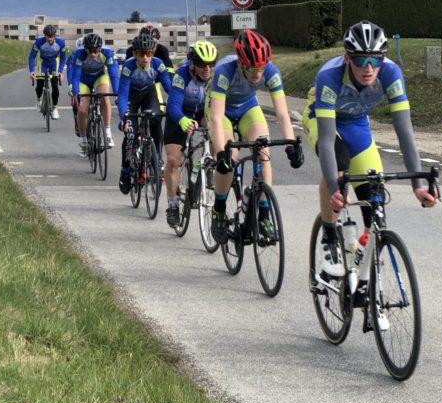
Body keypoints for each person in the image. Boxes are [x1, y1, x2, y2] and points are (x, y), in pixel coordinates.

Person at [303, 20, 438, 278]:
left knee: (373, 191)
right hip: (322, 120)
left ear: (382, 59)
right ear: (347, 58)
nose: (368, 68)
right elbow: (328, 140)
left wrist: (418, 185)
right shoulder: (328, 77)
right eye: (360, 60)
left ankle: (366, 268)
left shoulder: (391, 73)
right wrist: (334, 189)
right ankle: (330, 239)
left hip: (356, 122)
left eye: (375, 60)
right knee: (340, 166)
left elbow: (404, 132)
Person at [209, 29, 303, 243]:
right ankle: (220, 208)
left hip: (247, 107)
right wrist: (222, 151)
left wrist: (291, 144)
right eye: (251, 68)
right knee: (230, 158)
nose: (257, 73)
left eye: (261, 68)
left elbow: (281, 112)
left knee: (263, 151)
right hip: (222, 110)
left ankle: (264, 214)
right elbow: (215, 117)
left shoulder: (271, 71)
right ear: (241, 62)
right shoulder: (225, 70)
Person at [162, 39, 217, 227]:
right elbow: (173, 104)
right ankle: (172, 205)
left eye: (211, 64)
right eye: (202, 64)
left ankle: (205, 168)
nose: (207, 68)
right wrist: (183, 120)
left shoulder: (215, 78)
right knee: (173, 160)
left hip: (202, 113)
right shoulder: (181, 75)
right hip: (179, 115)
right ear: (192, 64)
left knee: (218, 135)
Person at [117, 33, 172, 195]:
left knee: (156, 118)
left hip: (149, 93)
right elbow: (122, 94)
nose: (145, 58)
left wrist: (175, 104)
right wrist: (123, 118)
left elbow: (169, 88)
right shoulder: (128, 66)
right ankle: (125, 170)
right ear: (134, 54)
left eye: (149, 54)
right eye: (141, 54)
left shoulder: (159, 65)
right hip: (131, 96)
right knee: (130, 133)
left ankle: (157, 158)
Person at [70, 32, 119, 154]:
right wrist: (76, 93)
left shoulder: (107, 53)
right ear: (85, 49)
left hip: (99, 77)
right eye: (89, 51)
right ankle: (83, 139)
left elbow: (113, 75)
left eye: (95, 51)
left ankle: (107, 133)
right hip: (83, 80)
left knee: (105, 98)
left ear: (100, 49)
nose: (92, 54)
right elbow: (75, 77)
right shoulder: (79, 54)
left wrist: (117, 93)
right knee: (82, 109)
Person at [28, 24, 66, 119]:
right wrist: (32, 71)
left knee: (55, 85)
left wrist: (60, 71)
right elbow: (32, 56)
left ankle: (55, 108)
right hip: (43, 62)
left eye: (51, 36)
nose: (49, 39)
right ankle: (39, 101)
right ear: (44, 35)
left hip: (54, 62)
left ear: (54, 35)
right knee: (40, 84)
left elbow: (63, 58)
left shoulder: (61, 43)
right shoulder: (39, 42)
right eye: (47, 36)